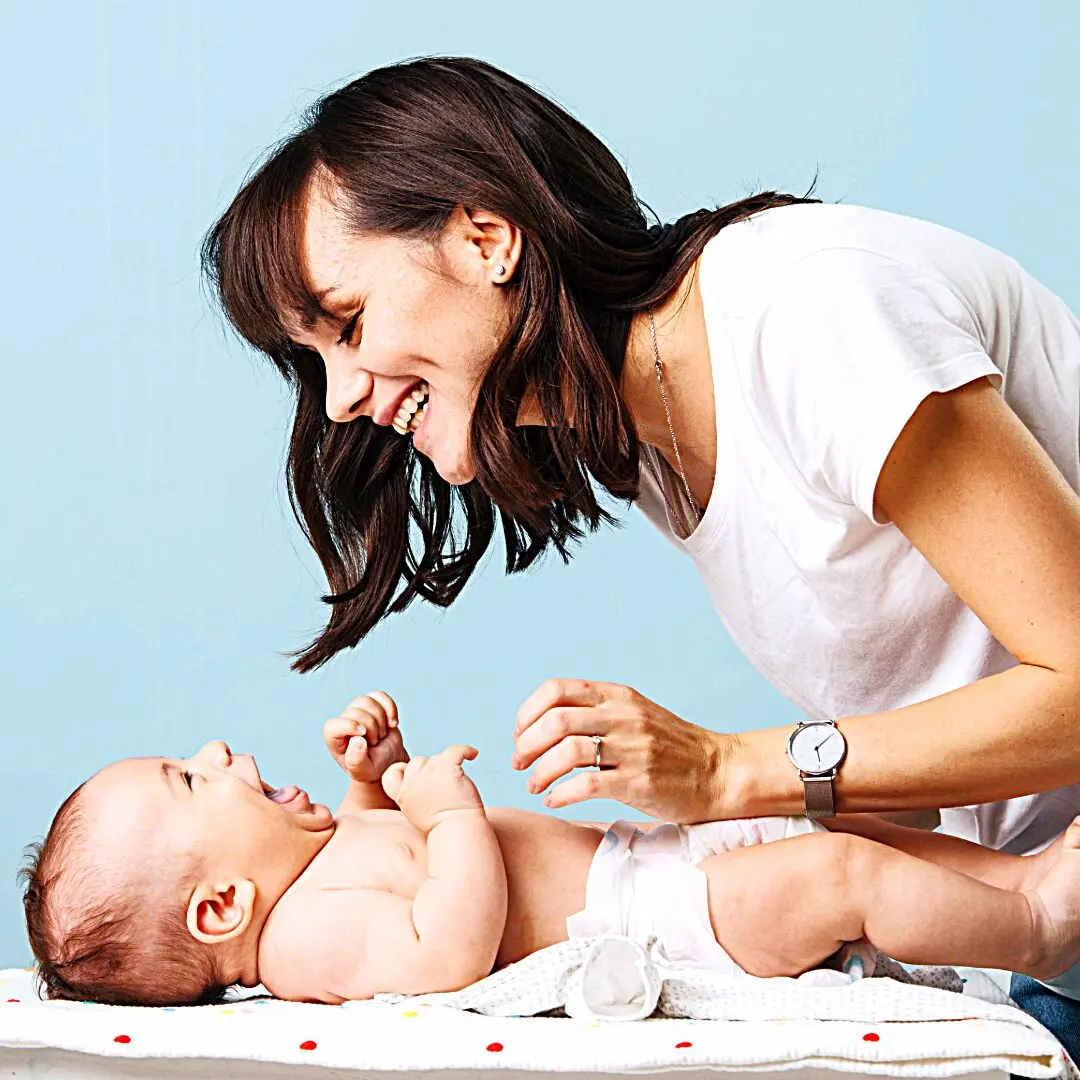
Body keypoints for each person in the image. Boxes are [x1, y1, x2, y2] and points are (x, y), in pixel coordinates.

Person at [199, 56, 1080, 1050]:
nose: (337, 399)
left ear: (487, 238)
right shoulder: (656, 441)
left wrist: (727, 772)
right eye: (314, 362)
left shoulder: (810, 315)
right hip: (1031, 939)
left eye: (350, 324)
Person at [20, 693, 1080, 1007]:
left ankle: (1023, 879)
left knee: (851, 831)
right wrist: (449, 818)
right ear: (220, 909)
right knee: (841, 876)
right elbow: (442, 951)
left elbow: (376, 849)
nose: (216, 752)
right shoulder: (301, 945)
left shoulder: (312, 872)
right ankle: (1033, 928)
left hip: (655, 862)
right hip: (663, 927)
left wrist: (372, 778)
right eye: (190, 778)